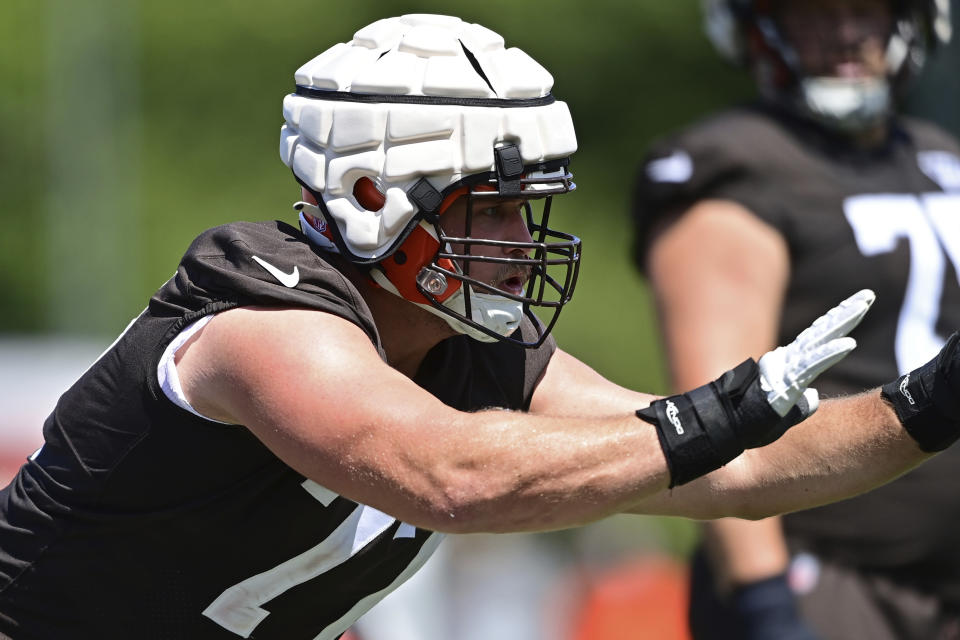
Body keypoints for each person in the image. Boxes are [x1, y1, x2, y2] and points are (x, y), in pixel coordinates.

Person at [0, 13, 958, 640]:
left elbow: (738, 473)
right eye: (488, 209)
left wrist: (931, 400)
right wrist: (715, 415)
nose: (516, 240)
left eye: (524, 209)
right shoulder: (263, 320)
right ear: (371, 196)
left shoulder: (469, 348)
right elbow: (452, 476)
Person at [631, 0, 960, 639]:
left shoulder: (941, 156)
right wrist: (765, 601)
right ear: (758, 26)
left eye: (864, 11)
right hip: (832, 581)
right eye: (811, 13)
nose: (842, 35)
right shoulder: (737, 164)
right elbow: (711, 426)